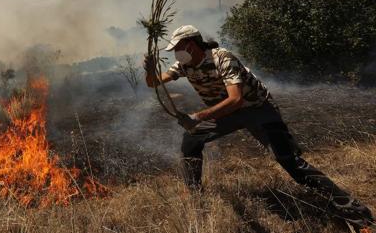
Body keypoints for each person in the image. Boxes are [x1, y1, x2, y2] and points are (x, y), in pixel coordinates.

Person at [144, 24, 374, 229]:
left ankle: (354, 211)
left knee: (289, 161)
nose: (176, 53)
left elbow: (236, 100)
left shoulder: (222, 57)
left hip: (257, 109)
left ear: (193, 45)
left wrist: (198, 116)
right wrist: (149, 69)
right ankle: (195, 196)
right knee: (191, 141)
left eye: (179, 47)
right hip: (225, 113)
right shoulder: (184, 65)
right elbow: (154, 83)